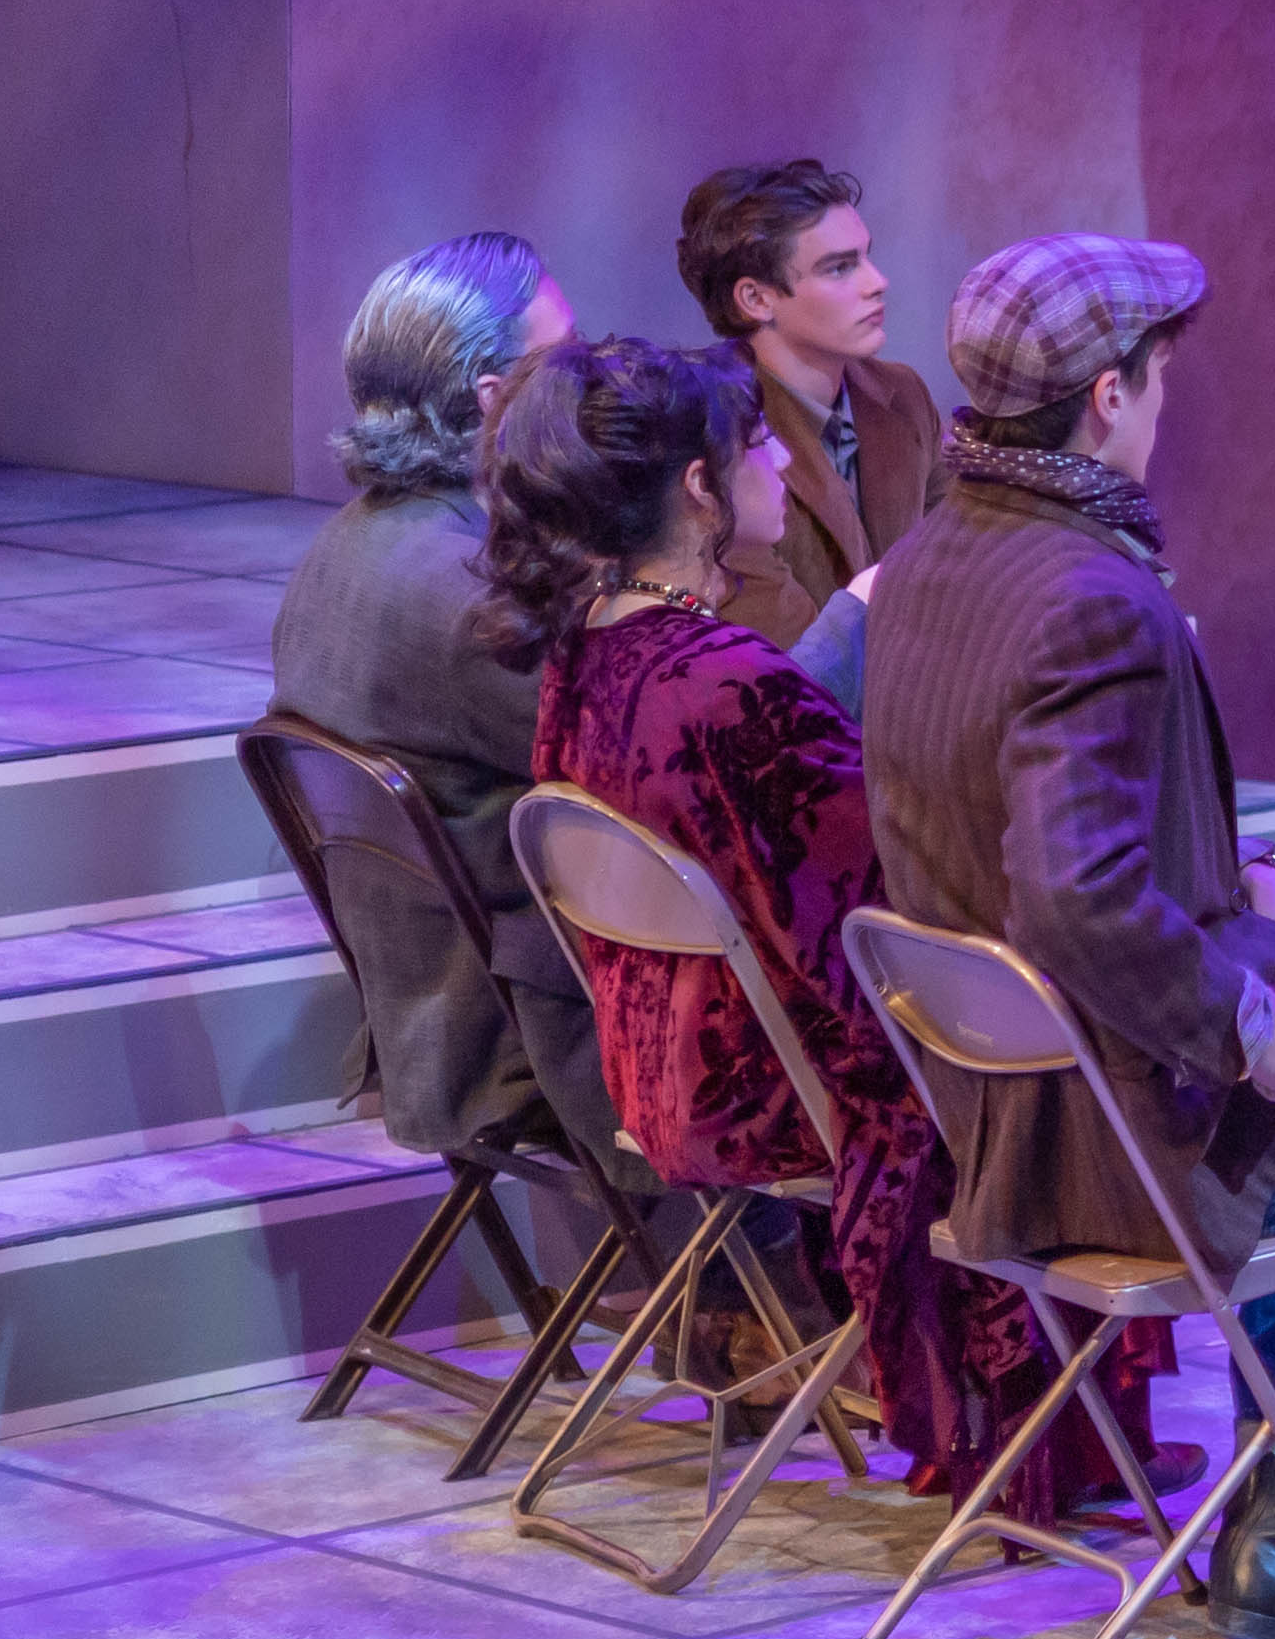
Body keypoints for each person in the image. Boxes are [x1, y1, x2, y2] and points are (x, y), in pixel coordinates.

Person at [858, 232, 1275, 1639]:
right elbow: (1075, 900)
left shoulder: (927, 561)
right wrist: (1244, 1019)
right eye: (1162, 378)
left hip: (1011, 1113)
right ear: (1109, 395)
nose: (1167, 404)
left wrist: (1274, 916)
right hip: (1128, 1134)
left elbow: (1061, 845)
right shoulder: (1091, 600)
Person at [478, 336, 1141, 1524]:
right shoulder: (727, 684)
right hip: (776, 1088)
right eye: (758, 444)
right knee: (1083, 1012)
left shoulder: (589, 657)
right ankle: (1069, 1435)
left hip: (659, 1070)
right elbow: (888, 928)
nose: (782, 460)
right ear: (697, 485)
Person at [268, 233, 642, 1209]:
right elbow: (654, 776)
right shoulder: (470, 594)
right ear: (492, 399)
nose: (587, 381)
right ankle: (757, 1310)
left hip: (430, 1003)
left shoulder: (345, 546)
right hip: (524, 1030)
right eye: (566, 359)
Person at [678, 157, 934, 654]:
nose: (877, 281)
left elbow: (956, 563)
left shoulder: (901, 393)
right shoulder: (714, 431)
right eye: (839, 267)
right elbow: (793, 661)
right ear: (756, 299)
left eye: (866, 257)